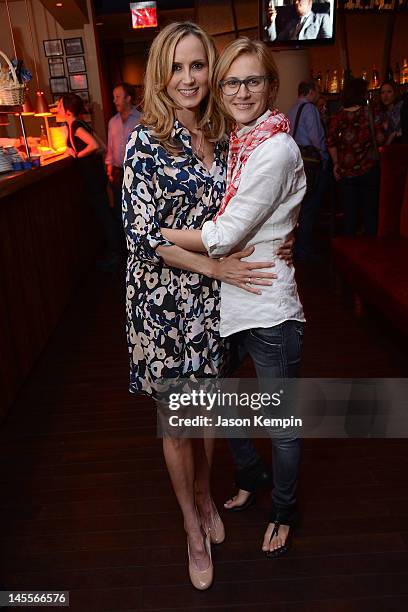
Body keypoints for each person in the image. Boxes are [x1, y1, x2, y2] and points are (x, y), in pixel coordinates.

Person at [122, 22, 287, 591]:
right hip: (163, 299)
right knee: (176, 424)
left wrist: (273, 242)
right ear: (160, 73)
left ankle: (204, 496)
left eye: (198, 66)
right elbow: (143, 237)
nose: (189, 79)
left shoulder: (219, 132)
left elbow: (243, 209)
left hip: (211, 300)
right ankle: (192, 526)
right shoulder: (145, 142)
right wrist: (215, 265)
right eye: (177, 67)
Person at [160, 38, 306, 559]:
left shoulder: (275, 146)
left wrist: (155, 235)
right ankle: (250, 474)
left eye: (253, 81)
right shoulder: (236, 143)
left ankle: (283, 511)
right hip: (224, 304)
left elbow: (223, 234)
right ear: (220, 90)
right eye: (232, 81)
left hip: (268, 307)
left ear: (271, 85)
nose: (242, 91)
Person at [57, 93, 119, 267]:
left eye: (60, 105)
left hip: (92, 179)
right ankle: (116, 251)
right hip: (97, 177)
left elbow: (95, 145)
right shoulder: (79, 124)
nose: (57, 108)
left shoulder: (76, 125)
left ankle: (115, 255)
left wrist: (77, 154)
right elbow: (103, 147)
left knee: (104, 216)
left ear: (68, 111)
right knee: (105, 214)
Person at [327, 78, 386, 236]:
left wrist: (336, 164)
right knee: (370, 215)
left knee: (349, 216)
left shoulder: (338, 116)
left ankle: (349, 254)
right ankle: (371, 254)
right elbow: (381, 138)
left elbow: (331, 142)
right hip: (369, 169)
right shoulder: (370, 113)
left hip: (346, 172)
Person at [288, 80, 329, 261]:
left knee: (300, 205)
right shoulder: (310, 110)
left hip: (297, 160)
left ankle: (298, 247)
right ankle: (305, 249)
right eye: (317, 91)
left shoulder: (292, 109)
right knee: (311, 207)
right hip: (311, 162)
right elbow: (316, 137)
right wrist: (325, 157)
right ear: (311, 92)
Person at [106, 83, 141, 252]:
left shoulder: (142, 120)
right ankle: (124, 251)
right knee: (121, 213)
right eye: (114, 97)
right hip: (118, 174)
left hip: (138, 174)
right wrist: (109, 169)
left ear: (128, 98)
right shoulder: (112, 122)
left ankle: (140, 247)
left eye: (118, 97)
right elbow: (110, 150)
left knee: (137, 212)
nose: (114, 101)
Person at [267, 0, 331, 42]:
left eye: (299, 0)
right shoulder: (291, 23)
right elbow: (275, 41)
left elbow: (328, 44)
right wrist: (271, 22)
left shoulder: (322, 18)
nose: (296, 2)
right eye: (295, 0)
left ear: (309, 2)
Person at [379, 80, 403, 145]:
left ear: (395, 93)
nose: (385, 95)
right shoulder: (381, 113)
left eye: (389, 92)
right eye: (382, 92)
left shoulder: (401, 108)